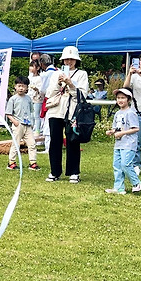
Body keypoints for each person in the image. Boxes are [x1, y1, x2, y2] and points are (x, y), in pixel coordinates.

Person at [43, 45, 89, 182]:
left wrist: (71, 84)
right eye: (66, 59)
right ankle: (54, 171)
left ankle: (74, 172)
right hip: (56, 110)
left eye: (71, 59)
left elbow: (82, 95)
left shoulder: (82, 74)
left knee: (72, 140)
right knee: (55, 141)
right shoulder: (55, 74)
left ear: (76, 60)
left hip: (73, 111)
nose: (69, 62)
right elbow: (49, 93)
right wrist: (58, 84)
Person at [105, 87, 141, 196]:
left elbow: (135, 128)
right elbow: (117, 128)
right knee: (117, 166)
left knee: (125, 164)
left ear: (128, 100)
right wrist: (112, 131)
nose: (120, 100)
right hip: (119, 144)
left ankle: (136, 183)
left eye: (123, 98)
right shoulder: (117, 113)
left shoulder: (131, 113)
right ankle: (119, 187)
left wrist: (122, 133)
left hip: (129, 144)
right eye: (118, 98)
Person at [5, 76, 39, 171]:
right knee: (16, 144)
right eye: (19, 86)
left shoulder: (28, 99)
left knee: (32, 144)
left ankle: (33, 162)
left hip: (28, 125)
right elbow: (8, 113)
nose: (21, 88)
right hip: (18, 125)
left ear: (27, 87)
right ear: (15, 86)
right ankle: (11, 162)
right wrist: (14, 121)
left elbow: (31, 111)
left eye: (23, 86)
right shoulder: (13, 99)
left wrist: (32, 123)